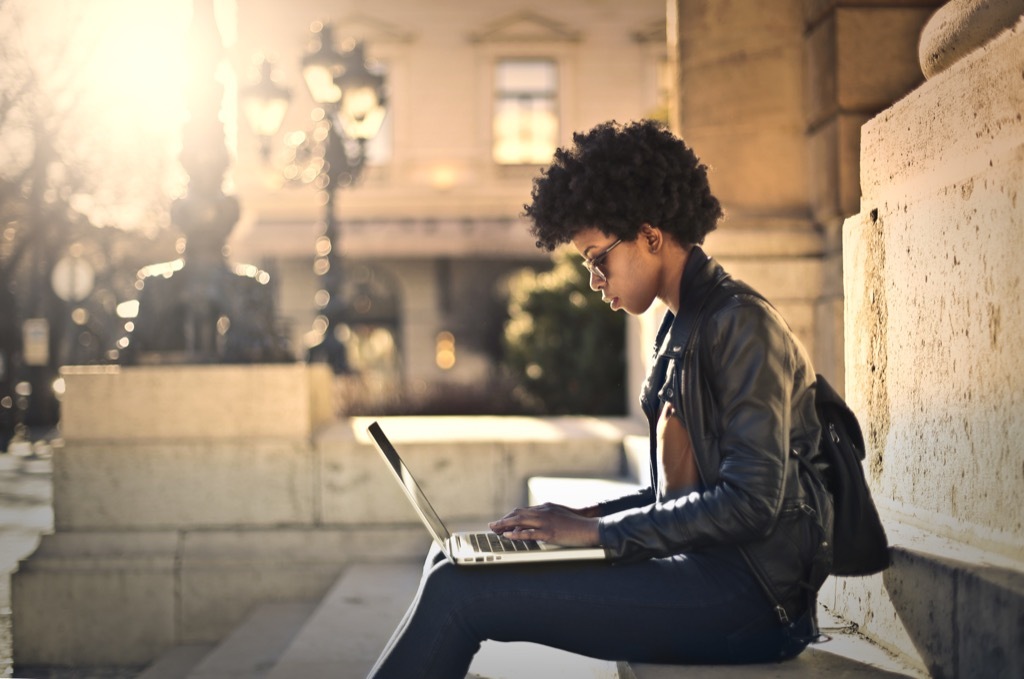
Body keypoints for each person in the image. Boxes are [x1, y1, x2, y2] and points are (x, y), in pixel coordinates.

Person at [369, 119, 833, 678]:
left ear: (650, 236)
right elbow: (677, 496)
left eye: (597, 259)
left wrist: (595, 535)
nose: (594, 280)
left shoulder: (740, 324)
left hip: (752, 602)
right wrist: (580, 517)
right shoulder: (683, 323)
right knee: (450, 557)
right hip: (709, 575)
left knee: (458, 592)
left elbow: (750, 502)